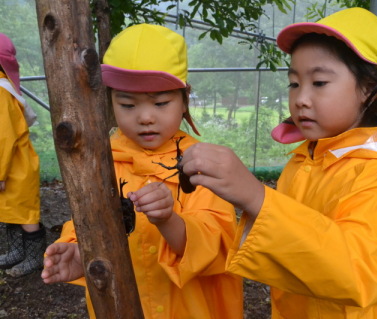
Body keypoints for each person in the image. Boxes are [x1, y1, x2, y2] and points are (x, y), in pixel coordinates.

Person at [181, 7, 377, 318]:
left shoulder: (375, 172)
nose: (301, 98)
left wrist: (257, 198)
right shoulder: (306, 158)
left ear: (368, 88)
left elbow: (359, 269)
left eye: (319, 82)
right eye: (294, 84)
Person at [41, 24, 243, 319]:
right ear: (110, 102)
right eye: (128, 104)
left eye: (161, 103)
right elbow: (85, 223)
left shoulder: (205, 163)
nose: (146, 117)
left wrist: (169, 220)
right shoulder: (98, 163)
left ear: (184, 98)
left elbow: (220, 246)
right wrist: (80, 253)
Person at [0, 33, 46, 277]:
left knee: (26, 214)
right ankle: (18, 252)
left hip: (14, 167)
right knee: (11, 210)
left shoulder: (0, 93)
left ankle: (34, 258)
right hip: (13, 165)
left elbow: (3, 137)